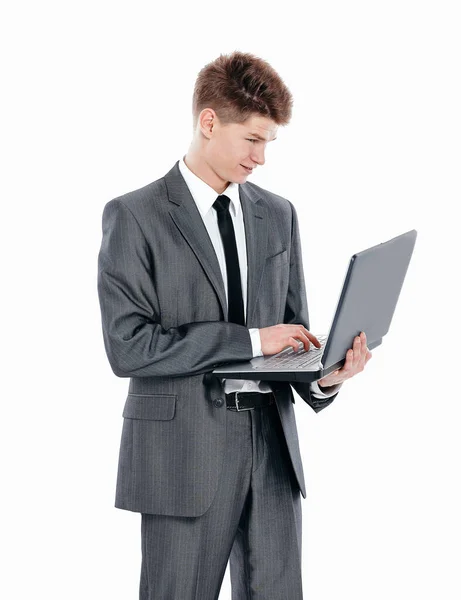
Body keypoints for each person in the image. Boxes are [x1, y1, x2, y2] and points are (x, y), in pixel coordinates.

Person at [97, 50, 372, 600]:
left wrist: (325, 376)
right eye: (252, 139)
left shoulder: (279, 214)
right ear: (208, 122)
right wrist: (248, 340)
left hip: (271, 448)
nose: (262, 157)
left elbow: (293, 336)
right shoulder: (136, 215)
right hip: (184, 453)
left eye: (269, 142)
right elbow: (128, 347)